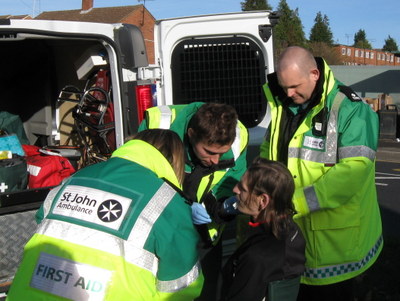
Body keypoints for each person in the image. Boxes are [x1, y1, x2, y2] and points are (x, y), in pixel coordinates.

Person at [6, 129, 204, 301]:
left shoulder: (75, 178)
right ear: (175, 163)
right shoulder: (169, 202)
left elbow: (43, 221)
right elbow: (181, 286)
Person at [260, 46, 383, 301]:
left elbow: (352, 174)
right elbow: (267, 156)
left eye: (294, 86)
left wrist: (292, 204)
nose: (288, 93)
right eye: (284, 87)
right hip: (293, 242)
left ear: (315, 73)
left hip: (336, 249)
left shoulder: (352, 111)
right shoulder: (284, 107)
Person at [139, 102, 249, 300]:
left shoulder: (238, 138)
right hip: (159, 234)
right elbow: (140, 180)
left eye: (221, 153)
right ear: (190, 134)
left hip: (204, 238)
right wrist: (181, 207)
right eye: (209, 152)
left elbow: (226, 184)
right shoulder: (157, 126)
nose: (216, 161)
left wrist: (222, 206)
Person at [220, 158, 306, 301]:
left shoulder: (259, 255)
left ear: (263, 201)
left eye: (243, 189)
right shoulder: (290, 229)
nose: (235, 189)